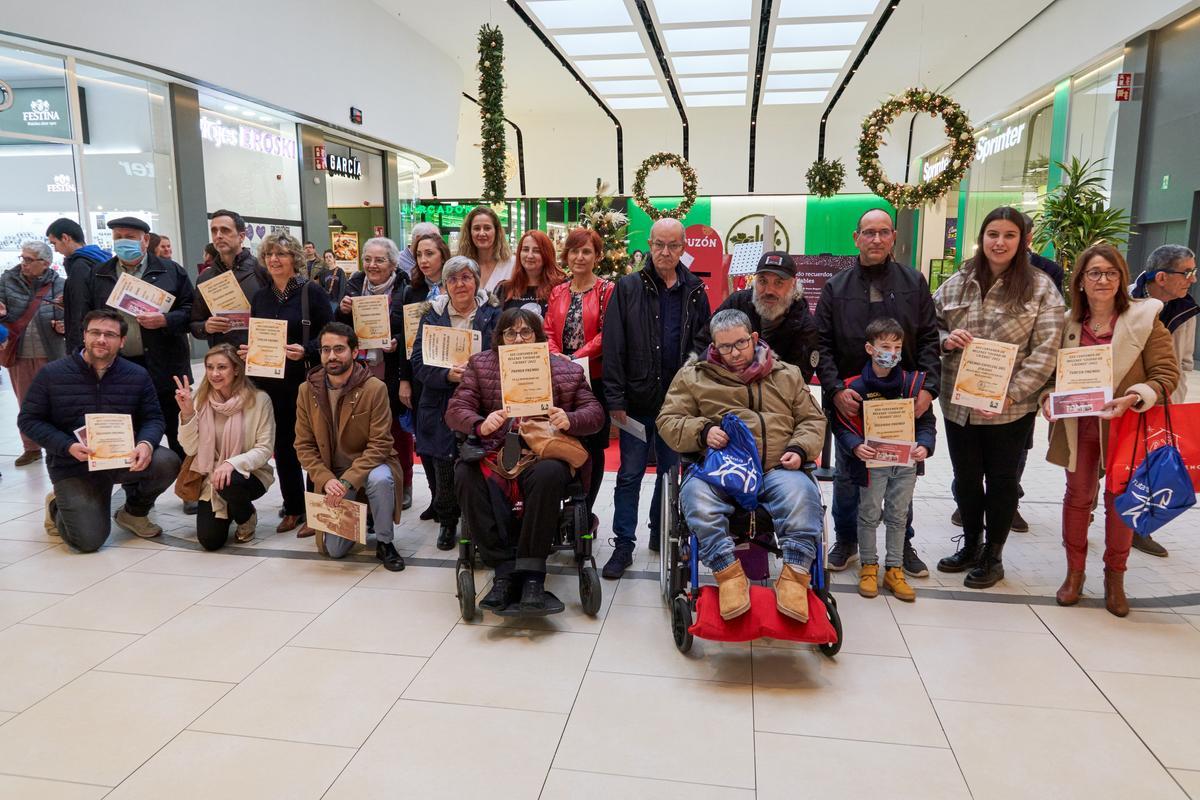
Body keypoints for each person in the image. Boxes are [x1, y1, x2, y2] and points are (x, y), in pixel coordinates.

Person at [657, 309, 826, 622]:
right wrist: (703, 431)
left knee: (804, 496)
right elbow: (668, 420)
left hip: (777, 467)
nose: (733, 353)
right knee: (696, 499)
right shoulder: (693, 376)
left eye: (740, 344)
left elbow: (812, 418)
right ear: (713, 346)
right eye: (724, 347)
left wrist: (800, 449)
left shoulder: (786, 374)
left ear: (754, 339)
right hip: (720, 470)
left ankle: (794, 577)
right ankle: (729, 574)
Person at [1044, 244, 1179, 616]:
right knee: (1077, 498)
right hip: (1078, 428)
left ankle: (1114, 577)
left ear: (1121, 278)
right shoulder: (1069, 322)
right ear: (1081, 281)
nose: (1102, 280)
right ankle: (1075, 574)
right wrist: (1048, 398)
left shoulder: (1145, 317)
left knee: (1120, 504)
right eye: (1094, 273)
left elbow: (1167, 375)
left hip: (1125, 427)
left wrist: (1135, 397)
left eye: (1110, 273)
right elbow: (1052, 376)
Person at [934, 206, 1065, 589]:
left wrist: (1012, 395)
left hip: (1011, 409)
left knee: (1003, 481)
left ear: (1023, 240)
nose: (1000, 242)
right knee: (967, 479)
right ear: (982, 238)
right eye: (993, 234)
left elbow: (1046, 350)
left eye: (1009, 235)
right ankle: (971, 544)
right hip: (959, 404)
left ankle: (994, 555)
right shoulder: (958, 281)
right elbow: (931, 325)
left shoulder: (1041, 288)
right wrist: (946, 340)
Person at [446, 308, 604, 613]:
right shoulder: (481, 365)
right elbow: (456, 409)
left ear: (539, 337)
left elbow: (595, 414)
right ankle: (504, 570)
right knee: (466, 474)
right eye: (510, 333)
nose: (518, 339)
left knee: (549, 474)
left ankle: (533, 575)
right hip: (495, 451)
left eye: (525, 332)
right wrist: (481, 423)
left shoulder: (565, 370)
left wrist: (569, 418)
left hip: (541, 452)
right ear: (500, 338)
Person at [814, 208, 941, 577]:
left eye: (883, 232)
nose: (876, 240)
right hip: (852, 400)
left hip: (902, 400)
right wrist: (835, 389)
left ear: (893, 238)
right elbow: (821, 344)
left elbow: (930, 339)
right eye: (868, 233)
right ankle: (847, 540)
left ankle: (902, 546)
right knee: (849, 474)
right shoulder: (835, 287)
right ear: (856, 238)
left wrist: (928, 389)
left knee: (901, 472)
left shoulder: (913, 282)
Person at [601, 217, 712, 578]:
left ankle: (658, 531)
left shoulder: (694, 289)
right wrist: (614, 398)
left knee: (670, 473)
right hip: (634, 402)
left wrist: (690, 378)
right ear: (649, 244)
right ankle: (622, 545)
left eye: (674, 246)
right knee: (630, 475)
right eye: (659, 245)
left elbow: (703, 340)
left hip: (677, 407)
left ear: (683, 248)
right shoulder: (628, 287)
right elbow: (614, 345)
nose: (666, 253)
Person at [17, 309, 180, 553]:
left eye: (110, 334)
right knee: (88, 541)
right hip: (74, 465)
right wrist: (66, 446)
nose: (101, 339)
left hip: (123, 459)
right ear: (84, 335)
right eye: (95, 332)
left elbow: (154, 418)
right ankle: (57, 506)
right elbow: (29, 420)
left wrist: (145, 444)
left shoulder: (137, 375)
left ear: (122, 341)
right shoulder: (52, 374)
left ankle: (134, 513)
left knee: (166, 461)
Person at [830, 317, 937, 603]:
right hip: (871, 464)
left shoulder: (913, 384)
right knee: (867, 514)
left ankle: (894, 568)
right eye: (885, 346)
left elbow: (927, 422)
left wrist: (925, 446)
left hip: (905, 464)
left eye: (897, 346)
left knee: (898, 516)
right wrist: (855, 446)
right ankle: (868, 565)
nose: (891, 352)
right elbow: (841, 424)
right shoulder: (854, 386)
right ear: (869, 348)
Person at [77, 217, 194, 463]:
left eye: (129, 237)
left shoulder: (171, 271)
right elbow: (86, 317)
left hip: (166, 365)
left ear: (145, 240)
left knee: (179, 432)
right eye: (118, 237)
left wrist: (166, 320)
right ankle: (136, 497)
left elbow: (191, 312)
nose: (122, 242)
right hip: (120, 367)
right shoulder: (100, 274)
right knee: (127, 432)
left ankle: (189, 492)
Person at [239, 232, 333, 534]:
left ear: (295, 258)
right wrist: (249, 351)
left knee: (313, 446)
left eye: (280, 254)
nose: (274, 260)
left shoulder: (310, 292)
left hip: (305, 381)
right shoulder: (261, 296)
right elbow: (258, 334)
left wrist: (307, 350)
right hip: (271, 383)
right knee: (284, 446)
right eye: (269, 255)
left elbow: (329, 336)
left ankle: (315, 509)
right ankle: (293, 507)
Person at [295, 323, 406, 571]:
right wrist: (325, 479)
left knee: (380, 479)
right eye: (326, 350)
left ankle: (385, 542)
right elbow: (303, 445)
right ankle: (362, 515)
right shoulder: (306, 390)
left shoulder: (374, 388)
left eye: (339, 349)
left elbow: (381, 444)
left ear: (355, 352)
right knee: (334, 551)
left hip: (369, 465)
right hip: (332, 472)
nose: (332, 356)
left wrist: (348, 482)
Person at [411, 255, 502, 550]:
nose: (459, 284)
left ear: (476, 281)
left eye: (465, 277)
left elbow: (502, 356)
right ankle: (448, 521)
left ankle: (476, 522)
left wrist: (477, 375)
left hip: (481, 401)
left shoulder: (493, 314)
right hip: (440, 401)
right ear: (444, 285)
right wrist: (446, 374)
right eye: (452, 279)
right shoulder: (432, 315)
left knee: (479, 460)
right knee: (444, 464)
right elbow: (417, 362)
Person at [1126, 244, 1198, 559]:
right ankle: (1085, 509)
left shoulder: (1186, 309)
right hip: (1119, 400)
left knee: (1148, 468)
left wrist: (1170, 403)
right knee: (1103, 464)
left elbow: (1183, 363)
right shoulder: (1125, 297)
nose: (1192, 279)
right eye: (1187, 272)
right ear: (1162, 277)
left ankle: (1139, 529)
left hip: (1160, 402)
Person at [335, 237, 413, 509]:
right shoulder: (355, 284)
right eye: (368, 259)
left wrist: (397, 341)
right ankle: (368, 483)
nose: (372, 265)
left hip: (390, 369)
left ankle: (403, 484)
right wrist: (343, 310)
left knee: (395, 431)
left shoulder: (405, 287)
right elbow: (339, 328)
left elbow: (410, 328)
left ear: (392, 263)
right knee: (362, 430)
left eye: (379, 260)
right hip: (360, 370)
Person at [176, 345, 276, 550]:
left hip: (249, 475)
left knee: (228, 482)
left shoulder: (259, 400)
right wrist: (187, 415)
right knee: (210, 541)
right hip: (210, 478)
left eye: (222, 367)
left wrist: (232, 463)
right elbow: (190, 449)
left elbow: (265, 449)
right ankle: (230, 508)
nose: (214, 373)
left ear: (236, 369)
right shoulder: (198, 399)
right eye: (209, 367)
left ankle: (246, 516)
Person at [545, 227, 614, 517]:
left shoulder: (606, 290)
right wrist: (558, 357)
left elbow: (606, 332)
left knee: (594, 445)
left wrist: (576, 357)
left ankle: (586, 511)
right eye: (574, 250)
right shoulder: (558, 291)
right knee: (561, 439)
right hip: (561, 380)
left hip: (593, 379)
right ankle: (563, 510)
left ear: (597, 256)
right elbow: (548, 328)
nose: (580, 257)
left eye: (587, 251)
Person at [694, 250, 819, 381]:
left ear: (793, 284)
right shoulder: (737, 303)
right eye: (763, 281)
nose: (769, 291)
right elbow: (703, 343)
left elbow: (796, 381)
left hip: (773, 398)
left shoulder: (805, 326)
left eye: (778, 283)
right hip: (722, 388)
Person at [399, 232, 451, 521]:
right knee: (427, 439)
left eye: (430, 253)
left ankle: (451, 500)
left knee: (450, 441)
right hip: (421, 375)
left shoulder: (456, 284)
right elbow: (406, 339)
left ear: (442, 254)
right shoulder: (413, 291)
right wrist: (405, 378)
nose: (424, 260)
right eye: (419, 255)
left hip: (450, 373)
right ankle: (435, 497)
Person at [0, 241, 66, 466]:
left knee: (57, 402)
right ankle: (31, 447)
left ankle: (60, 445)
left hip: (53, 353)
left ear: (45, 263)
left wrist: (64, 324)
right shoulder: (6, 281)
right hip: (18, 352)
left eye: (29, 260)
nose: (24, 264)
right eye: (22, 258)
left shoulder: (61, 285)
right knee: (26, 403)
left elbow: (72, 314)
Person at [192, 210, 270, 349]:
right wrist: (206, 327)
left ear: (241, 236)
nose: (218, 236)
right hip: (222, 358)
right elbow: (194, 323)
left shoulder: (262, 269)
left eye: (225, 230)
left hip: (257, 355)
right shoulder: (205, 277)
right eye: (214, 231)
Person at [47, 217, 110, 353]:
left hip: (87, 341)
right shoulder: (97, 258)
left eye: (54, 243)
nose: (56, 250)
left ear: (65, 238)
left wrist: (77, 348)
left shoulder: (79, 266)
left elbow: (80, 309)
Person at [497, 230, 563, 312]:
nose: (530, 255)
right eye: (525, 249)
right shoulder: (505, 289)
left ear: (547, 254)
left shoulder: (560, 288)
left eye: (536, 251)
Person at [458, 206, 514, 293]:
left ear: (496, 231)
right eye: (476, 228)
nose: (482, 233)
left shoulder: (512, 264)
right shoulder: (461, 266)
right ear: (469, 232)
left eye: (487, 228)